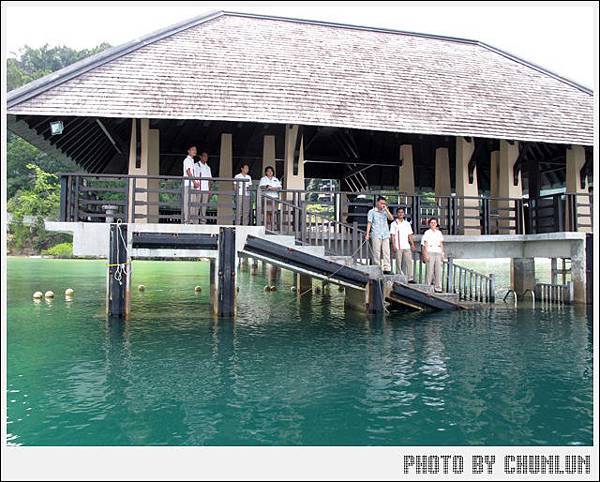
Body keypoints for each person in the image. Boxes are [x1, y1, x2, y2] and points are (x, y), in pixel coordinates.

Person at [365, 196, 394, 274]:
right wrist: (367, 234)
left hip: (385, 234)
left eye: (384, 203)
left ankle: (387, 268)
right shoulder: (372, 211)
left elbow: (391, 218)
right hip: (376, 233)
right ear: (377, 203)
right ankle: (377, 268)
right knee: (376, 252)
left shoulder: (385, 211)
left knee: (386, 251)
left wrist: (387, 210)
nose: (383, 205)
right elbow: (369, 223)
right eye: (381, 203)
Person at [389, 207, 416, 281]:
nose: (401, 214)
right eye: (399, 212)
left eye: (402, 212)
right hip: (398, 246)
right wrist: (394, 245)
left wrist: (412, 244)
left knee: (409, 262)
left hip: (406, 246)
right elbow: (392, 235)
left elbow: (410, 235)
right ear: (397, 214)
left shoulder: (407, 224)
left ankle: (410, 278)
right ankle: (399, 277)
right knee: (398, 262)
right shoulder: (394, 224)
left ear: (404, 214)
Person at [421, 217, 445, 292]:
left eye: (434, 222)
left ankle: (438, 287)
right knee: (429, 271)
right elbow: (425, 244)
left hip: (438, 252)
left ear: (436, 224)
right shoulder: (427, 232)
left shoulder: (439, 233)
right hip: (430, 252)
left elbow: (441, 243)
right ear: (429, 224)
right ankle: (427, 287)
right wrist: (425, 255)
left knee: (438, 271)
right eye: (432, 223)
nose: (433, 224)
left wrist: (442, 253)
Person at [194, 150, 212, 224]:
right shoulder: (196, 165)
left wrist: (209, 190)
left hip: (205, 189)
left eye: (207, 157)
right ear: (200, 157)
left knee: (204, 206)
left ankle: (203, 221)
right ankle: (195, 221)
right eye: (204, 156)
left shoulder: (208, 167)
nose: (206, 158)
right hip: (198, 189)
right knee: (197, 205)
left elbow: (210, 180)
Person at [182, 145, 199, 224]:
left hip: (192, 184)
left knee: (192, 202)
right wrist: (194, 182)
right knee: (188, 202)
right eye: (193, 150)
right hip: (188, 184)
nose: (194, 151)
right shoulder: (187, 160)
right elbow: (188, 171)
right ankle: (187, 220)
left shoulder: (192, 161)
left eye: (195, 150)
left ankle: (191, 220)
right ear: (188, 151)